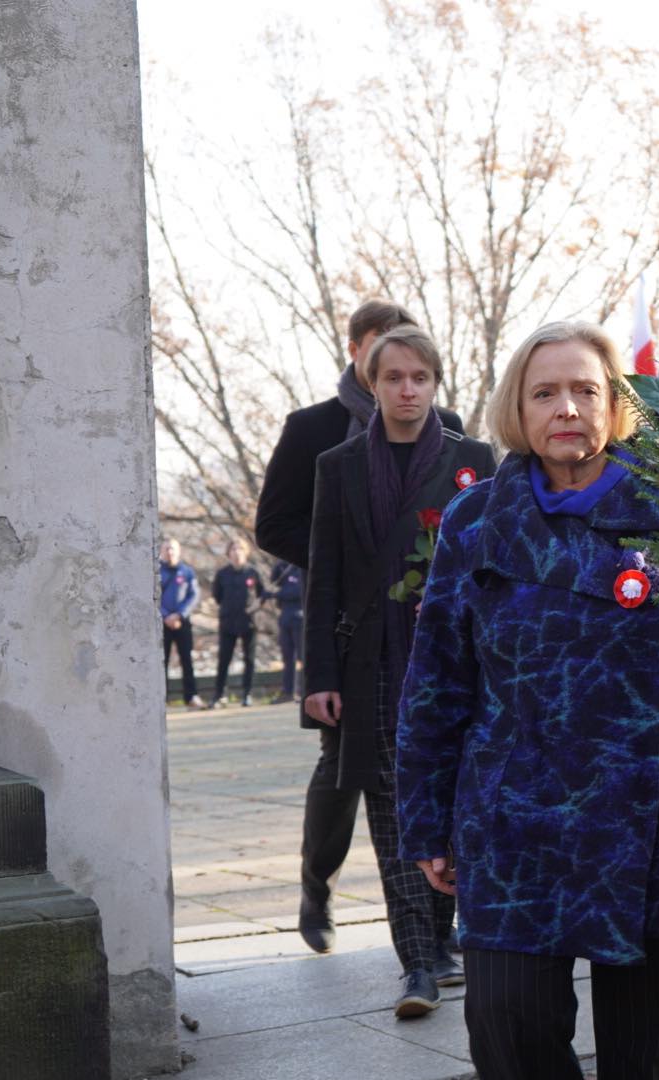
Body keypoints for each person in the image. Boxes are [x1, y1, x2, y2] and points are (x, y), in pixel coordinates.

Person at [395, 321, 659, 1079]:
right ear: (518, 409)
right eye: (546, 392)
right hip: (511, 824)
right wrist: (427, 821)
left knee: (657, 1054)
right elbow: (436, 681)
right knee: (508, 1031)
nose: (566, 407)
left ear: (615, 405)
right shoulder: (475, 523)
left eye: (585, 391)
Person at [252, 299, 466, 955]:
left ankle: (434, 927)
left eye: (412, 365)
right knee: (342, 775)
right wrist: (350, 567)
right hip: (351, 632)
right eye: (382, 353)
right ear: (358, 354)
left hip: (423, 631)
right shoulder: (313, 430)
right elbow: (275, 525)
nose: (399, 377)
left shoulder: (449, 432)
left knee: (433, 769)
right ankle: (318, 885)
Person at [302, 324, 495, 1016]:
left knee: (452, 803)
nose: (406, 390)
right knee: (390, 811)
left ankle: (444, 945)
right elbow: (322, 580)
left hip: (457, 664)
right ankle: (416, 965)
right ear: (371, 384)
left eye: (419, 378)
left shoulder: (476, 460)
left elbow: (499, 571)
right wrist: (318, 676)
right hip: (373, 667)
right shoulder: (339, 466)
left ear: (437, 384)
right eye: (393, 378)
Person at [209, 539, 266, 708]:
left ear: (246, 552)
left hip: (249, 622)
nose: (237, 552)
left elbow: (263, 595)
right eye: (233, 549)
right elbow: (217, 596)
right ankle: (219, 695)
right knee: (224, 659)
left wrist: (255, 606)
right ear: (228, 553)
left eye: (240, 548)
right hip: (227, 622)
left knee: (249, 659)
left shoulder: (253, 572)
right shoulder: (222, 574)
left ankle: (247, 694)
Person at [159, 539, 205, 709]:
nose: (170, 552)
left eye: (173, 549)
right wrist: (165, 616)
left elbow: (193, 596)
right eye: (166, 549)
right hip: (162, 623)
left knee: (187, 659)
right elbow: (152, 596)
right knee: (161, 661)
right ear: (162, 551)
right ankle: (161, 697)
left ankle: (191, 696)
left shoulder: (187, 572)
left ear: (179, 551)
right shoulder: (156, 571)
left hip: (182, 622)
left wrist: (179, 615)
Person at [269, 560, 305, 704]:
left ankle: (303, 691)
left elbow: (298, 590)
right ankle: (288, 691)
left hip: (299, 617)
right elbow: (274, 584)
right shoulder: (282, 567)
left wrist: (277, 594)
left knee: (302, 657)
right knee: (287, 657)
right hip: (285, 617)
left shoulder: (300, 566)